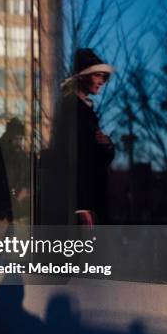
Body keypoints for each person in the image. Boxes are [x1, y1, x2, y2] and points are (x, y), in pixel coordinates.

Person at [44, 48, 115, 225]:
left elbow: (92, 158)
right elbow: (69, 159)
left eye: (103, 77)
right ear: (82, 76)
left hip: (89, 200)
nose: (101, 82)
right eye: (97, 75)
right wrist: (81, 206)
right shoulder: (71, 109)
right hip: (83, 203)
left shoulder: (85, 110)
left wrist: (106, 144)